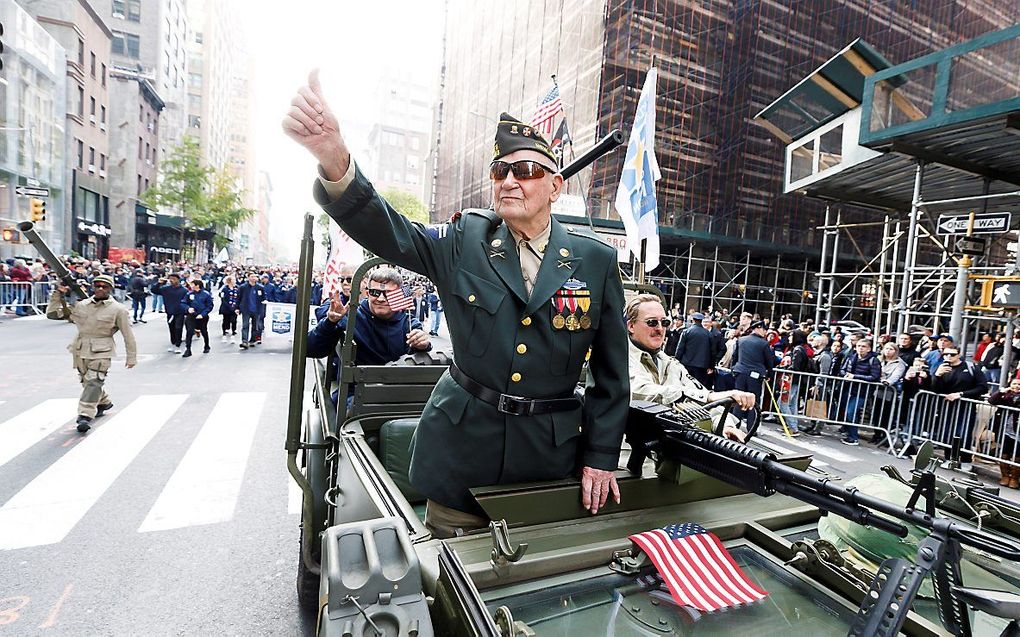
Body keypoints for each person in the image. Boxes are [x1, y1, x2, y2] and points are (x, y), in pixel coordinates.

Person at [284, 72, 629, 538]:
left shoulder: (595, 260)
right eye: (500, 171)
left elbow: (612, 375)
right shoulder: (466, 241)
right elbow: (392, 232)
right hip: (461, 455)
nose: (510, 180)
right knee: (447, 586)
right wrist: (335, 160)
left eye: (525, 171)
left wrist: (601, 457)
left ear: (555, 185)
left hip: (547, 462)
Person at [626, 295, 754, 440]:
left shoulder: (670, 364)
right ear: (631, 326)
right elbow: (640, 391)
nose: (660, 329)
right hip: (624, 455)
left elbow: (703, 398)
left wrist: (725, 425)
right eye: (652, 322)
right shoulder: (618, 357)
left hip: (664, 452)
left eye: (665, 322)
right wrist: (709, 397)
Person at [307, 268, 432, 406]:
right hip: (357, 397)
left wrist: (423, 345)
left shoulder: (409, 323)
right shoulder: (351, 316)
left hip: (398, 396)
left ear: (400, 295)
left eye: (389, 294)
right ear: (367, 293)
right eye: (375, 292)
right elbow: (310, 349)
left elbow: (418, 363)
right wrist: (329, 323)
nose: (381, 298)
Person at [45, 275, 137, 433]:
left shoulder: (118, 310)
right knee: (87, 382)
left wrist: (131, 357)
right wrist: (58, 294)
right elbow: (54, 314)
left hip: (102, 350)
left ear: (111, 289)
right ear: (92, 287)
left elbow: (128, 334)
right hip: (80, 349)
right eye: (97, 286)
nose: (100, 288)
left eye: (105, 286)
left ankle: (85, 415)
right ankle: (104, 402)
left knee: (94, 381)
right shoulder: (82, 305)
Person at [931, 345, 988, 464]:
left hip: (965, 406)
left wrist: (961, 394)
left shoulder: (971, 367)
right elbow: (936, 389)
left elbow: (983, 387)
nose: (948, 357)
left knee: (963, 433)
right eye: (945, 354)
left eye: (952, 354)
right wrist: (937, 376)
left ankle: (966, 460)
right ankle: (949, 458)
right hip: (946, 406)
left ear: (959, 355)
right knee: (946, 432)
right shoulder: (940, 367)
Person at [732, 320, 774, 434]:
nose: (765, 332)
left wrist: (734, 369)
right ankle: (751, 428)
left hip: (740, 372)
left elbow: (734, 356)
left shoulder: (741, 340)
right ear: (759, 328)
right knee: (753, 402)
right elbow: (770, 362)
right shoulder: (764, 343)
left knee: (738, 399)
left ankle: (734, 424)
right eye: (764, 330)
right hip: (755, 375)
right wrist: (770, 375)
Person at [838, 339, 882, 446]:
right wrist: (845, 375)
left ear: (869, 348)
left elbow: (874, 377)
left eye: (863, 346)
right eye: (858, 346)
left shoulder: (873, 360)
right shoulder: (852, 357)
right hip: (848, 388)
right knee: (850, 413)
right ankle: (849, 433)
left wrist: (855, 377)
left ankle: (853, 437)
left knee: (851, 412)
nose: (860, 348)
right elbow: (843, 369)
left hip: (862, 391)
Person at [988, 378, 1020, 489]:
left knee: (1017, 456)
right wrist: (1002, 391)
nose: (1017, 386)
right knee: (1004, 453)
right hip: (1004, 430)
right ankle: (1005, 476)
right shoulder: (1005, 396)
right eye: (1014, 383)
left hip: (1018, 432)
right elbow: (991, 400)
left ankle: (1015, 478)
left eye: (1019, 384)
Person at [673, 311, 718, 390]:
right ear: (701, 321)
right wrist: (711, 366)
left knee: (686, 386)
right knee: (700, 387)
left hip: (687, 364)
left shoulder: (686, 332)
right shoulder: (708, 334)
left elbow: (680, 348)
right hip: (702, 366)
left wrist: (677, 360)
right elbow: (713, 351)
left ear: (693, 320)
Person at [156, 273, 188, 354]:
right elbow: (154, 290)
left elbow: (187, 301)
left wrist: (187, 310)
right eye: (170, 279)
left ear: (178, 280)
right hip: (170, 312)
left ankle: (178, 345)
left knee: (178, 328)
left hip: (180, 312)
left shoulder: (184, 290)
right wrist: (159, 283)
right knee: (172, 328)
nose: (171, 280)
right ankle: (173, 343)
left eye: (173, 278)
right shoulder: (166, 289)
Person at [181, 279, 214, 357]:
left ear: (197, 285)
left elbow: (210, 306)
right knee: (189, 331)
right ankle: (188, 349)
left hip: (202, 316)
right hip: (191, 315)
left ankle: (206, 345)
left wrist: (203, 314)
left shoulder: (206, 294)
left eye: (192, 284)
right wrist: (187, 308)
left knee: (204, 331)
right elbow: (183, 303)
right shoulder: (189, 294)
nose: (191, 286)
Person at [237, 272, 266, 349]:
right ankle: (244, 341)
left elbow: (264, 298)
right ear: (248, 278)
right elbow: (238, 298)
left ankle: (252, 340)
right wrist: (237, 308)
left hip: (257, 310)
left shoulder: (260, 287)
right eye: (252, 276)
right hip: (246, 309)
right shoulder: (243, 287)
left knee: (255, 326)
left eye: (255, 276)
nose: (253, 278)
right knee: (245, 325)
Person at [218, 275, 240, 343]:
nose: (235, 281)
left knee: (234, 320)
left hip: (234, 307)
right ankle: (224, 332)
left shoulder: (237, 288)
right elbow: (223, 299)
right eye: (233, 280)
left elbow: (239, 297)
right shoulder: (224, 289)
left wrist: (236, 306)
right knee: (225, 320)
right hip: (226, 307)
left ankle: (233, 331)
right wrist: (229, 306)